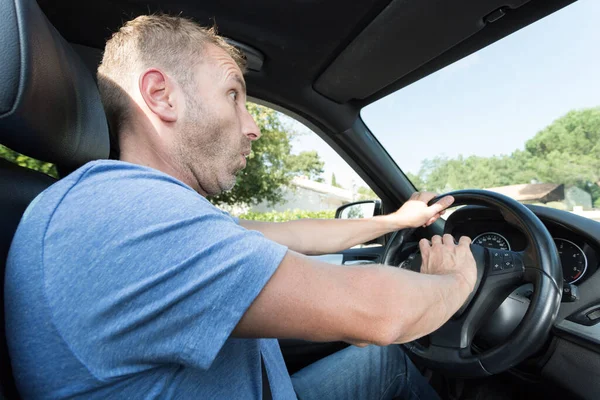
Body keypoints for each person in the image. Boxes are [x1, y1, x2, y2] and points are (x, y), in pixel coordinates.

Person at [5, 14, 477, 400]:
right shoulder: (125, 216)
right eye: (234, 95)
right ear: (160, 95)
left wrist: (396, 221)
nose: (252, 127)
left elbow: (298, 235)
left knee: (381, 363)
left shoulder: (126, 208)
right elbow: (376, 314)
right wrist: (456, 281)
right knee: (385, 354)